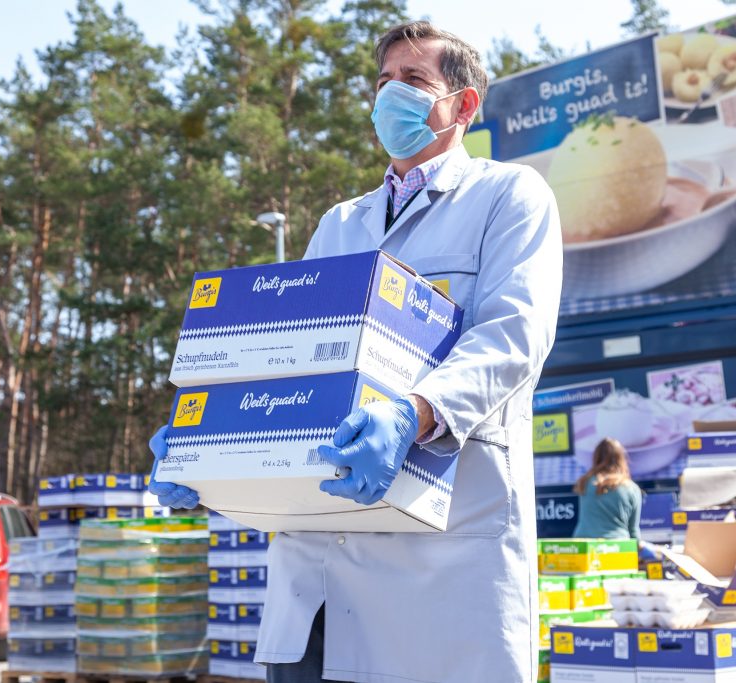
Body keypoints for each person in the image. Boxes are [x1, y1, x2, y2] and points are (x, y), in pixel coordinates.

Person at [149, 20, 562, 683]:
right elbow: (296, 370)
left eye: (413, 80)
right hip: (317, 584)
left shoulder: (509, 197)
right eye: (382, 82)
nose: (389, 96)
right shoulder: (340, 225)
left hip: (441, 583)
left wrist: (413, 413)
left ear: (464, 105)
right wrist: (210, 452)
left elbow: (513, 338)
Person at [572, 438, 643, 541]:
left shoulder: (584, 482)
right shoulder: (631, 488)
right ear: (621, 458)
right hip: (617, 547)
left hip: (583, 546)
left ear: (596, 457)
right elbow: (633, 530)